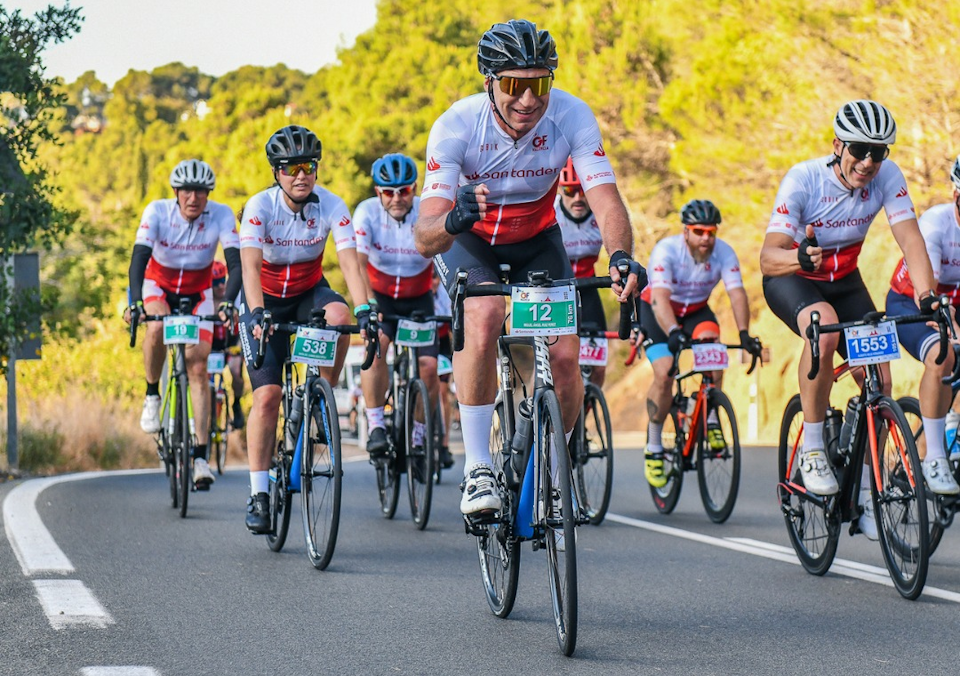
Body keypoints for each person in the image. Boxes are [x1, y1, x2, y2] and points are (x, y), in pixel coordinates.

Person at [414, 19, 644, 516]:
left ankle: (547, 466)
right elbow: (424, 235)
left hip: (537, 240)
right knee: (485, 313)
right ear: (489, 83)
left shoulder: (572, 116)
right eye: (514, 85)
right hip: (470, 241)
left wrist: (621, 255)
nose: (528, 100)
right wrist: (455, 217)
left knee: (565, 361)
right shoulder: (455, 125)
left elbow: (606, 201)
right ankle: (477, 467)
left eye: (539, 84)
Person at [760, 100, 939, 540]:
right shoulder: (804, 179)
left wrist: (927, 294)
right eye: (859, 149)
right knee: (822, 330)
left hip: (847, 280)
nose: (868, 162)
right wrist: (798, 255)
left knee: (877, 378)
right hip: (795, 282)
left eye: (879, 152)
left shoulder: (886, 177)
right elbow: (767, 258)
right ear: (837, 144)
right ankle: (815, 448)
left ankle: (862, 497)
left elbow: (911, 241)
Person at [238, 125, 373, 533]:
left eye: (308, 166)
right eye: (291, 167)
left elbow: (349, 261)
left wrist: (366, 308)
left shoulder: (332, 205)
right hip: (263, 299)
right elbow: (249, 266)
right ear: (277, 173)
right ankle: (259, 493)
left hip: (306, 291)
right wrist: (258, 314)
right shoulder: (259, 207)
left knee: (340, 317)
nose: (301, 174)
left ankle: (321, 398)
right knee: (267, 397)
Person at [126, 159, 241, 490]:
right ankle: (152, 394)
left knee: (198, 369)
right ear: (176, 192)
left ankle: (201, 457)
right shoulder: (157, 212)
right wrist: (135, 303)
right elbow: (138, 259)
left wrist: (229, 302)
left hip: (198, 292)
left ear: (208, 195)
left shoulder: (219, 214)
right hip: (158, 285)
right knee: (156, 326)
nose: (194, 198)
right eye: (187, 191)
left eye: (201, 192)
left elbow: (234, 264)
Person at [641, 199, 762, 487]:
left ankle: (709, 416)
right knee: (665, 371)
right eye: (699, 231)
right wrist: (671, 329)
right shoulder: (666, 250)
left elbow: (737, 293)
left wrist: (744, 333)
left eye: (711, 232)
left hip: (696, 310)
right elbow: (658, 298)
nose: (706, 238)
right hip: (658, 311)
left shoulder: (724, 253)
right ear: (686, 231)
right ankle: (654, 445)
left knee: (714, 351)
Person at [354, 153, 445, 467]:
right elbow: (359, 264)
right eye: (389, 192)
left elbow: (446, 257)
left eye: (404, 191)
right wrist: (368, 307)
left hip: (418, 298)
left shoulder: (426, 210)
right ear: (378, 192)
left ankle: (418, 437)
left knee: (430, 369)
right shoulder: (366, 212)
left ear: (414, 188)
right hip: (381, 297)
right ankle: (377, 425)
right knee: (376, 345)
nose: (397, 199)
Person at [885, 155, 960, 495]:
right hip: (914, 301)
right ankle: (933, 455)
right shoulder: (937, 224)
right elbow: (928, 289)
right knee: (943, 355)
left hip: (954, 302)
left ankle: (953, 422)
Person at [556, 156, 608, 387]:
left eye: (583, 190)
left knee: (597, 368)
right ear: (559, 190)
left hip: (588, 289)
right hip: (556, 290)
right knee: (558, 361)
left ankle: (584, 416)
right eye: (570, 190)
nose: (578, 198)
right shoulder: (550, 215)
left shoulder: (603, 215)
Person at [210, 259, 246, 429]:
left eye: (222, 281)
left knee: (236, 372)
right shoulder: (205, 298)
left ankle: (236, 404)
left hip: (232, 342)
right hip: (210, 345)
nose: (220, 286)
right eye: (215, 283)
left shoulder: (235, 295)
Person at [432, 270, 456, 469]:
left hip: (440, 342)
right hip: (418, 338)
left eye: (435, 280)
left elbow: (451, 321)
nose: (432, 284)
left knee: (442, 391)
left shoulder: (442, 290)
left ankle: (445, 442)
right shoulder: (417, 284)